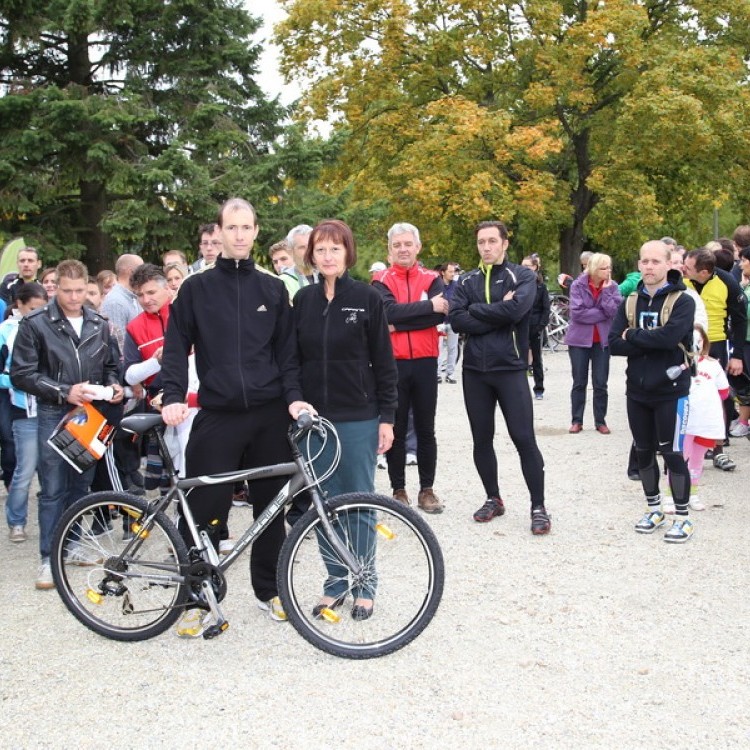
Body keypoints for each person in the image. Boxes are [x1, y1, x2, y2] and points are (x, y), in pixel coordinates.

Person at [161, 197, 314, 637]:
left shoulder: (272, 288)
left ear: (256, 231)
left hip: (268, 415)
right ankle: (196, 596)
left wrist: (294, 398)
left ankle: (270, 591)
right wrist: (172, 395)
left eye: (247, 228)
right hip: (218, 413)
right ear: (220, 233)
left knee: (270, 509)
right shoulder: (195, 287)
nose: (240, 235)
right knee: (204, 508)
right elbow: (175, 346)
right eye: (232, 228)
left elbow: (287, 355)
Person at [293, 219, 397, 621]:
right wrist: (295, 401)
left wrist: (386, 417)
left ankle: (365, 582)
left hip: (358, 416)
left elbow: (385, 364)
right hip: (315, 421)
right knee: (325, 504)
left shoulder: (367, 298)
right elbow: (292, 360)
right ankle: (336, 581)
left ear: (347, 252)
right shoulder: (302, 301)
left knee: (359, 501)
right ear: (311, 255)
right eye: (320, 250)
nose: (328, 256)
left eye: (335, 249)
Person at [11, 259, 124, 588]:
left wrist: (114, 386)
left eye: (79, 290)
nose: (74, 297)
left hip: (90, 413)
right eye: (67, 291)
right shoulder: (35, 324)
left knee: (81, 483)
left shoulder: (98, 323)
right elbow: (22, 374)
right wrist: (64, 391)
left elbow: (111, 365)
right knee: (52, 489)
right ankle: (48, 557)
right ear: (55, 287)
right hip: (52, 411)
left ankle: (71, 544)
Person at [449, 220, 551, 535]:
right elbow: (455, 320)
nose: (487, 247)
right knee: (482, 439)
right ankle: (493, 498)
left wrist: (476, 311)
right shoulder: (466, 280)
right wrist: (494, 311)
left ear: (505, 243)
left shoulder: (522, 276)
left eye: (493, 241)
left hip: (510, 369)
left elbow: (517, 312)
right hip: (475, 372)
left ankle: (538, 506)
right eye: (481, 242)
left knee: (524, 439)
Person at [609, 240, 696, 543]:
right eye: (644, 261)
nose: (648, 267)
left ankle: (683, 517)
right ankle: (654, 508)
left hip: (671, 390)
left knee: (672, 454)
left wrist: (632, 334)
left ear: (668, 263)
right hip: (637, 391)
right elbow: (613, 344)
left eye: (655, 261)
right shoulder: (630, 300)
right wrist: (648, 338)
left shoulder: (682, 300)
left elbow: (670, 338)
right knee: (644, 452)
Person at [372, 222, 447, 514]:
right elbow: (385, 313)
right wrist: (428, 308)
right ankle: (398, 489)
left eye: (407, 244)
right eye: (396, 245)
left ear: (418, 246)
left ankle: (426, 490)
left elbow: (439, 318)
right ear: (389, 250)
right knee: (396, 428)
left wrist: (399, 321)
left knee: (427, 429)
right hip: (394, 364)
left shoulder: (432, 278)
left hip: (426, 362)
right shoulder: (380, 280)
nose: (403, 249)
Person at [682, 246, 746, 471]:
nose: (683, 269)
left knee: (720, 396)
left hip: (715, 344)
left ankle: (719, 447)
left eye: (688, 267)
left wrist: (737, 355)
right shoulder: (680, 280)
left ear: (704, 272)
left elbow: (739, 320)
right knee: (683, 393)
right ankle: (682, 444)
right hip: (684, 344)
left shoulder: (727, 281)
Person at [1, 283, 48, 543]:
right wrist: (17, 381)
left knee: (52, 470)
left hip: (51, 408)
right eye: (32, 309)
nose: (36, 315)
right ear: (19, 305)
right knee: (25, 470)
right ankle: (16, 521)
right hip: (23, 411)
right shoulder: (5, 331)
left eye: (42, 309)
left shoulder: (50, 327)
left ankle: (52, 520)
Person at [565, 253, 621, 434]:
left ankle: (600, 421)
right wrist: (602, 312)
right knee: (579, 382)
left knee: (600, 383)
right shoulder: (578, 285)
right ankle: (577, 420)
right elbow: (577, 314)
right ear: (595, 269)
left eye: (609, 267)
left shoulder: (612, 287)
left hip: (602, 341)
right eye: (604, 268)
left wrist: (605, 294)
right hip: (579, 341)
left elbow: (614, 311)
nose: (608, 271)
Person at [678, 324, 729, 512]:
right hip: (684, 420)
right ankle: (671, 495)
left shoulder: (713, 364)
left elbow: (724, 392)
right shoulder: (678, 362)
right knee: (678, 458)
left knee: (697, 460)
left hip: (704, 421)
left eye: (699, 340)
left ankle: (693, 493)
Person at [521, 255, 551, 399]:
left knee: (537, 359)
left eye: (528, 266)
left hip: (535, 326)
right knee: (519, 358)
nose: (525, 269)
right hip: (520, 325)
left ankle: (539, 388)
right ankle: (519, 388)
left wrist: (540, 325)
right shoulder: (518, 285)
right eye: (523, 266)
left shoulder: (541, 287)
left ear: (535, 268)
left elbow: (546, 308)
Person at [436, 262, 461, 384]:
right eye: (450, 271)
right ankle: (437, 374)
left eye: (454, 271)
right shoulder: (437, 285)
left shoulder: (457, 285)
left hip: (453, 320)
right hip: (439, 321)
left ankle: (450, 374)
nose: (453, 274)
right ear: (443, 272)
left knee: (453, 348)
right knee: (438, 348)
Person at [280, 224, 315, 298]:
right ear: (290, 251)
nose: (308, 251)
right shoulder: (283, 282)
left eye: (311, 246)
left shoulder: (327, 277)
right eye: (302, 247)